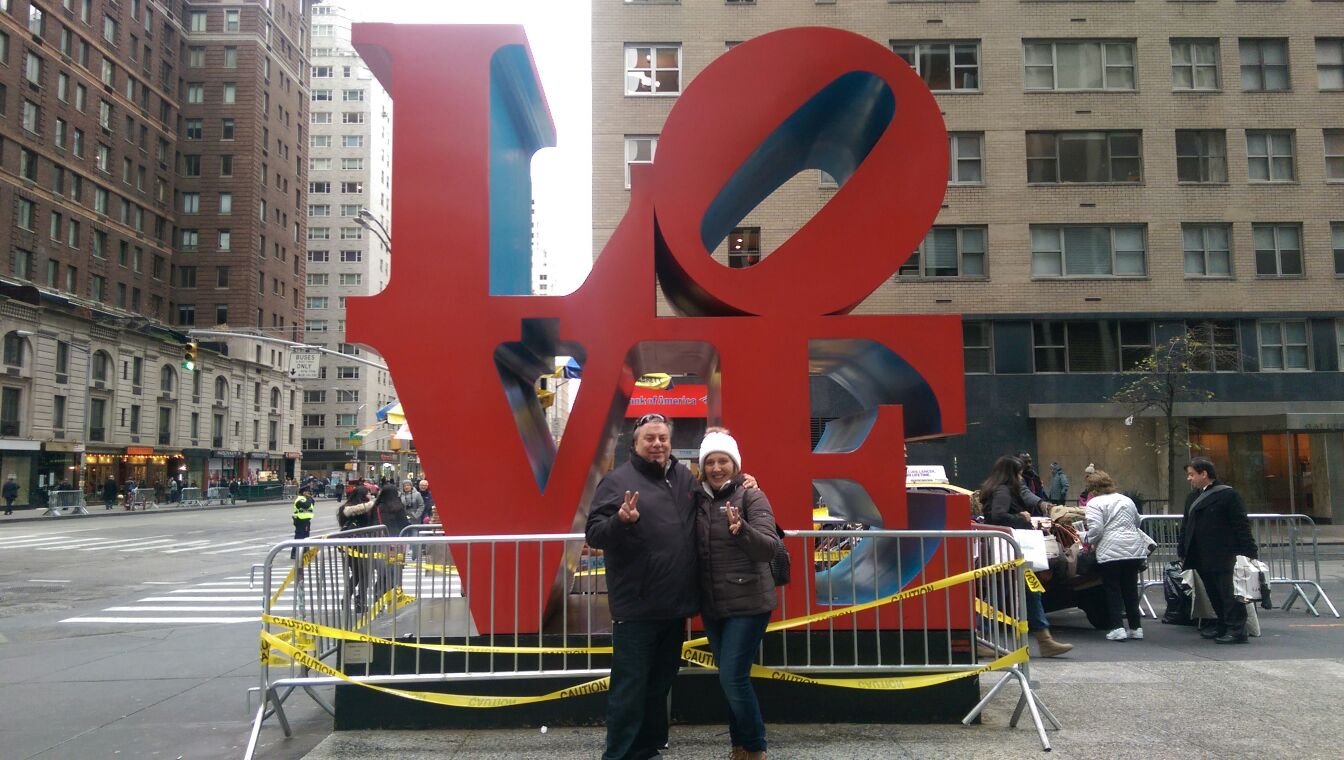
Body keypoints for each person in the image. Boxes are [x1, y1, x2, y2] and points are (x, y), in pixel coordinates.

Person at [585, 412, 700, 760]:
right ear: (635, 443)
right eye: (650, 438)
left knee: (659, 685)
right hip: (636, 608)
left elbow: (712, 500)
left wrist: (745, 483)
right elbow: (594, 533)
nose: (657, 444)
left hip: (674, 607)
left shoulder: (682, 477)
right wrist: (621, 521)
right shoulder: (617, 481)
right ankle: (619, 754)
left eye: (663, 438)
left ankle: (647, 751)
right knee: (630, 689)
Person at [693, 428, 779, 760]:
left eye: (723, 461)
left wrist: (742, 530)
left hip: (748, 603)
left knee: (732, 677)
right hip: (713, 605)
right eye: (710, 462)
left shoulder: (751, 496)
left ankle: (755, 748)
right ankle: (739, 747)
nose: (717, 468)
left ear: (735, 464)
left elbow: (769, 548)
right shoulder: (698, 499)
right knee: (732, 678)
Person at [979, 455, 1073, 657]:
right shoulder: (1003, 490)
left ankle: (1044, 639)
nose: (1021, 477)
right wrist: (1021, 517)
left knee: (1028, 591)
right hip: (1007, 549)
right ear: (1012, 473)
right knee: (1003, 592)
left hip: (1006, 548)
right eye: (1020, 473)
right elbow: (998, 516)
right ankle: (979, 635)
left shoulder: (998, 489)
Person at [1179, 457, 1258, 644]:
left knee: (1229, 593)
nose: (1189, 478)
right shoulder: (1192, 497)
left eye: (1191, 474)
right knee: (1213, 592)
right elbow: (1186, 526)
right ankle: (1222, 623)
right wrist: (1182, 548)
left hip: (1224, 554)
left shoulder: (1228, 495)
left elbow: (1241, 525)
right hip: (1201, 554)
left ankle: (1236, 629)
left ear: (1204, 474)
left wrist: (1249, 552)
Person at [1082, 469, 1152, 642]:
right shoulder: (1126, 500)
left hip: (1110, 551)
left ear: (1092, 488)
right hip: (1133, 549)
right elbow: (1137, 522)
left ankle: (1117, 628)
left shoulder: (1094, 503)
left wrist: (1085, 537)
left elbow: (1096, 529)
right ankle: (1136, 628)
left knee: (1112, 590)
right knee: (1130, 589)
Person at [337, 486, 375, 613]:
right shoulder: (365, 508)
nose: (370, 495)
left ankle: (348, 599)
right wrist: (372, 502)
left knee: (358, 574)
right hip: (361, 545)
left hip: (350, 546)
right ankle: (360, 601)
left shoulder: (345, 508)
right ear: (363, 495)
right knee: (364, 574)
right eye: (368, 493)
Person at [291, 483, 315, 560]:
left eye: (309, 491)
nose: (309, 493)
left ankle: (305, 552)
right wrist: (309, 498)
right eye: (307, 491)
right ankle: (294, 553)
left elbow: (312, 504)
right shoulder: (300, 499)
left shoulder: (307, 499)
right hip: (300, 520)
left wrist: (309, 498)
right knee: (299, 537)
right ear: (303, 492)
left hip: (306, 520)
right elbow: (306, 505)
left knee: (306, 537)